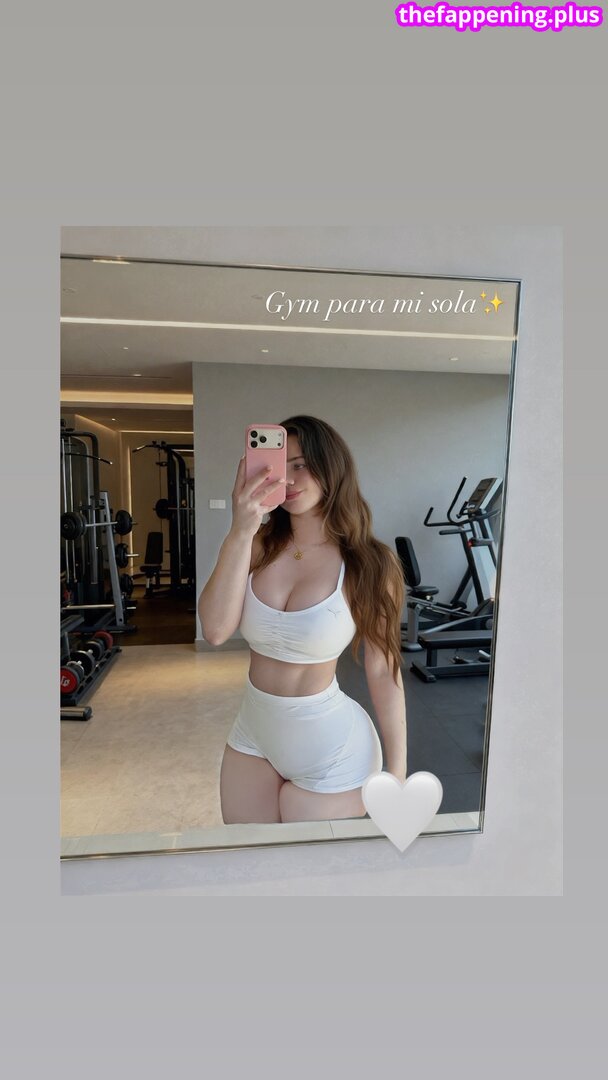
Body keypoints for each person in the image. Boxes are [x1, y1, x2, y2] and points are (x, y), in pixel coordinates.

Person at [198, 415, 406, 824]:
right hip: (254, 735)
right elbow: (216, 631)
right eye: (280, 465)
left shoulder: (370, 563)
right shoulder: (256, 545)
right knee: (249, 854)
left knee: (304, 862)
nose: (289, 479)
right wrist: (240, 530)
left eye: (301, 464)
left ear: (332, 468)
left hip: (332, 748)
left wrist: (397, 770)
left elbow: (383, 669)